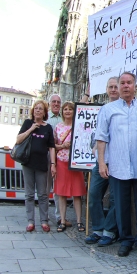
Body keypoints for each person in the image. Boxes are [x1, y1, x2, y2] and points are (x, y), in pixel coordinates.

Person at [95, 72, 137, 258]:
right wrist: (102, 163)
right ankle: (126, 240)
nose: (126, 85)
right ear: (118, 86)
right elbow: (101, 137)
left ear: (135, 85)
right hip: (118, 167)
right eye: (122, 83)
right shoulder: (108, 109)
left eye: (129, 82)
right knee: (120, 206)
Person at [84, 77, 120, 246]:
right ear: (106, 89)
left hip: (117, 161)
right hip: (102, 160)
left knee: (114, 198)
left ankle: (109, 231)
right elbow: (97, 134)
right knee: (94, 195)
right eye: (110, 87)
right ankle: (98, 228)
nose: (113, 89)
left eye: (116, 86)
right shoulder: (102, 109)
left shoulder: (125, 107)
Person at [17, 100, 55, 232]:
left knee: (43, 194)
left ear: (45, 112)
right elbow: (18, 139)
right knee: (29, 194)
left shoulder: (48, 127)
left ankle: (44, 221)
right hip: (28, 163)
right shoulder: (28, 123)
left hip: (41, 164)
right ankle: (30, 221)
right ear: (33, 111)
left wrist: (53, 164)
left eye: (41, 109)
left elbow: (51, 147)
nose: (38, 111)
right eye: (36, 109)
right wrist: (32, 129)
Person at [52, 101, 86, 232]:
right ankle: (62, 220)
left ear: (74, 112)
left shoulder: (79, 126)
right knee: (62, 193)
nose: (67, 111)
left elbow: (84, 142)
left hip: (75, 162)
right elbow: (53, 145)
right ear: (62, 112)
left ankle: (79, 221)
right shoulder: (58, 127)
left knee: (77, 193)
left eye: (70, 109)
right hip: (61, 162)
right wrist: (62, 146)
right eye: (65, 109)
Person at [46, 94, 70, 228]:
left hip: (59, 158)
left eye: (58, 102)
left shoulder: (63, 118)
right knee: (45, 188)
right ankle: (44, 218)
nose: (56, 104)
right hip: (47, 156)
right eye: (54, 102)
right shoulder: (46, 117)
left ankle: (60, 217)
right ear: (49, 103)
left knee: (57, 189)